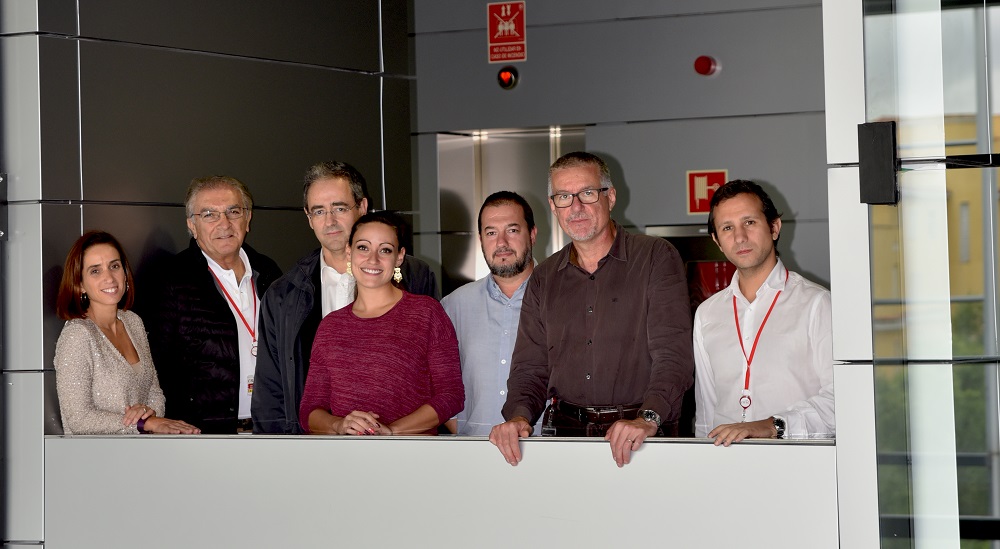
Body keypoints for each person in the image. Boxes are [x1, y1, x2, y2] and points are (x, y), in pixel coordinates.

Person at [490, 151, 694, 468]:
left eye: (587, 193)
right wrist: (518, 416)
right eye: (563, 197)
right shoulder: (544, 277)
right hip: (565, 435)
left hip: (644, 434)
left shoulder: (655, 257)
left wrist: (648, 418)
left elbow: (674, 354)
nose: (576, 207)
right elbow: (530, 369)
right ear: (553, 206)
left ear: (610, 197)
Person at [251, 161, 439, 433]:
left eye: (339, 208)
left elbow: (438, 378)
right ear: (308, 217)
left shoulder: (414, 276)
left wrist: (399, 432)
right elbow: (270, 392)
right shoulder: (283, 295)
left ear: (362, 208)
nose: (330, 221)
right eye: (319, 211)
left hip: (400, 445)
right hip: (312, 450)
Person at [693, 179, 834, 445]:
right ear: (717, 241)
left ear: (774, 227)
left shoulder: (817, 304)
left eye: (749, 222)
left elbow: (842, 400)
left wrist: (773, 426)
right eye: (727, 228)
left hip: (797, 465)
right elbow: (706, 413)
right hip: (729, 467)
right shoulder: (707, 314)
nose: (740, 237)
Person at [298, 211, 463, 435]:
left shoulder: (427, 313)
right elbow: (309, 411)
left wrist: (391, 431)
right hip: (345, 462)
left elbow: (451, 397)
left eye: (385, 250)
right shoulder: (330, 327)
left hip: (411, 459)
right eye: (363, 247)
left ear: (399, 257)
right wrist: (339, 425)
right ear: (349, 252)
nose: (372, 259)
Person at [146, 176, 282, 434]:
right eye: (209, 214)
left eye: (233, 211)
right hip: (204, 435)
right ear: (192, 225)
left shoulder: (270, 272)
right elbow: (156, 366)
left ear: (248, 218)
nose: (225, 223)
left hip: (272, 429)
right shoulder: (171, 280)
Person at [54, 231, 200, 435]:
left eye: (114, 266)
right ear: (80, 285)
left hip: (137, 455)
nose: (109, 278)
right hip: (93, 461)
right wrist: (143, 423)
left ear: (125, 273)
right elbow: (79, 419)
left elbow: (155, 393)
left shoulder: (133, 322)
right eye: (95, 271)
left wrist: (148, 412)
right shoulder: (78, 335)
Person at [442, 191, 539, 436]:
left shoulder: (561, 300)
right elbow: (436, 382)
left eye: (513, 230)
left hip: (544, 451)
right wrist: (465, 428)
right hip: (474, 453)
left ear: (533, 234)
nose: (502, 243)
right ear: (481, 239)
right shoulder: (453, 306)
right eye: (491, 233)